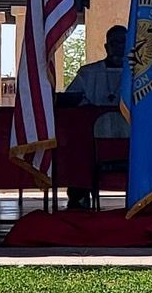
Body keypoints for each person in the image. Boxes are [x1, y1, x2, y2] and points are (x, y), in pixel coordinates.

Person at [64, 24, 127, 209]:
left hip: (128, 139)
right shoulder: (88, 73)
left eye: (123, 43)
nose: (119, 47)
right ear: (107, 46)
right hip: (93, 141)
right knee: (78, 153)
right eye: (114, 43)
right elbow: (71, 98)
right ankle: (79, 199)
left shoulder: (139, 75)